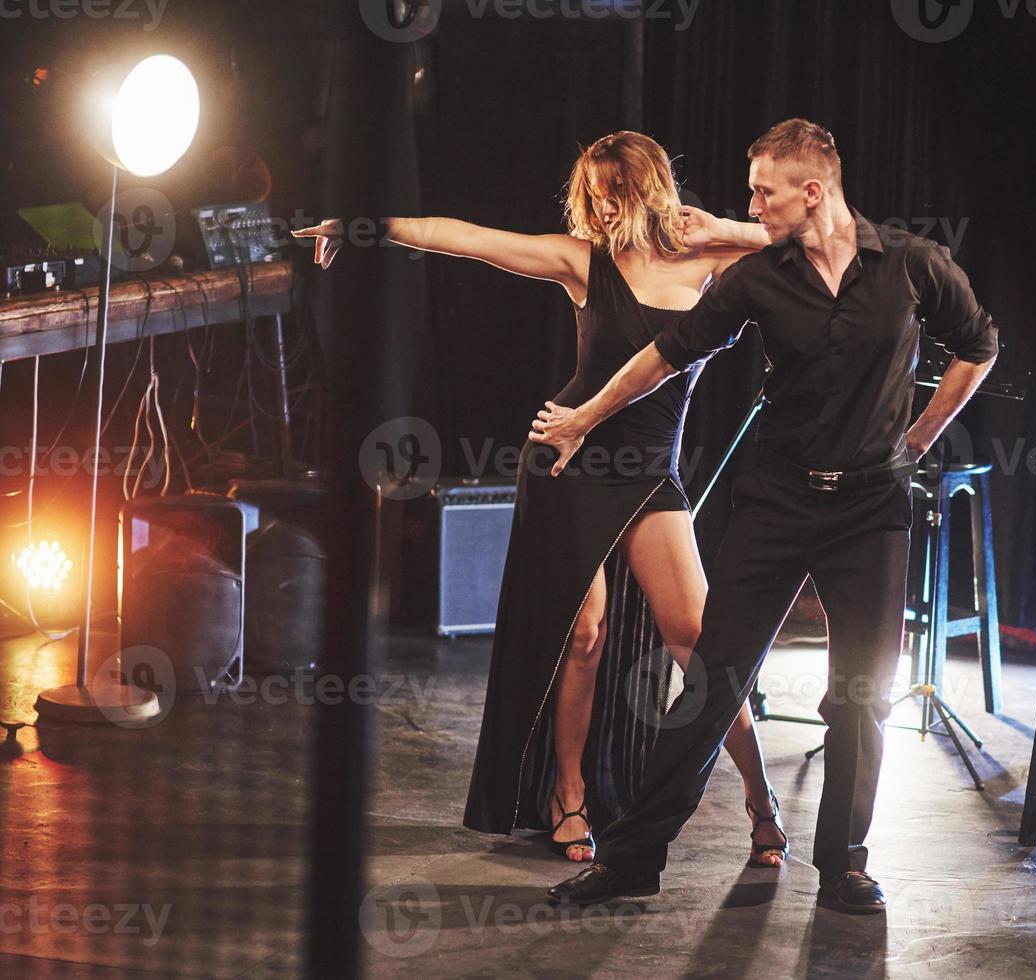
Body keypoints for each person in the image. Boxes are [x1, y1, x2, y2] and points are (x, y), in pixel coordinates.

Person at [531, 119, 999, 914]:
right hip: (776, 501)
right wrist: (585, 416)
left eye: (760, 190)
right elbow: (663, 357)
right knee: (710, 680)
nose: (747, 202)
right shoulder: (759, 278)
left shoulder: (913, 266)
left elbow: (979, 344)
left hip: (870, 509)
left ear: (809, 191)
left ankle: (843, 864)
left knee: (859, 694)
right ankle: (633, 859)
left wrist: (918, 438)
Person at [293, 131, 791, 869]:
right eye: (589, 192)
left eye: (611, 190)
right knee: (581, 633)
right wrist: (362, 227)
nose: (598, 205)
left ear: (648, 186)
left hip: (651, 471)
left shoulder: (708, 256)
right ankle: (568, 795)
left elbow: (801, 243)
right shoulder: (581, 260)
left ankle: (760, 799)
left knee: (698, 641)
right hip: (568, 458)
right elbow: (466, 239)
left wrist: (724, 227)